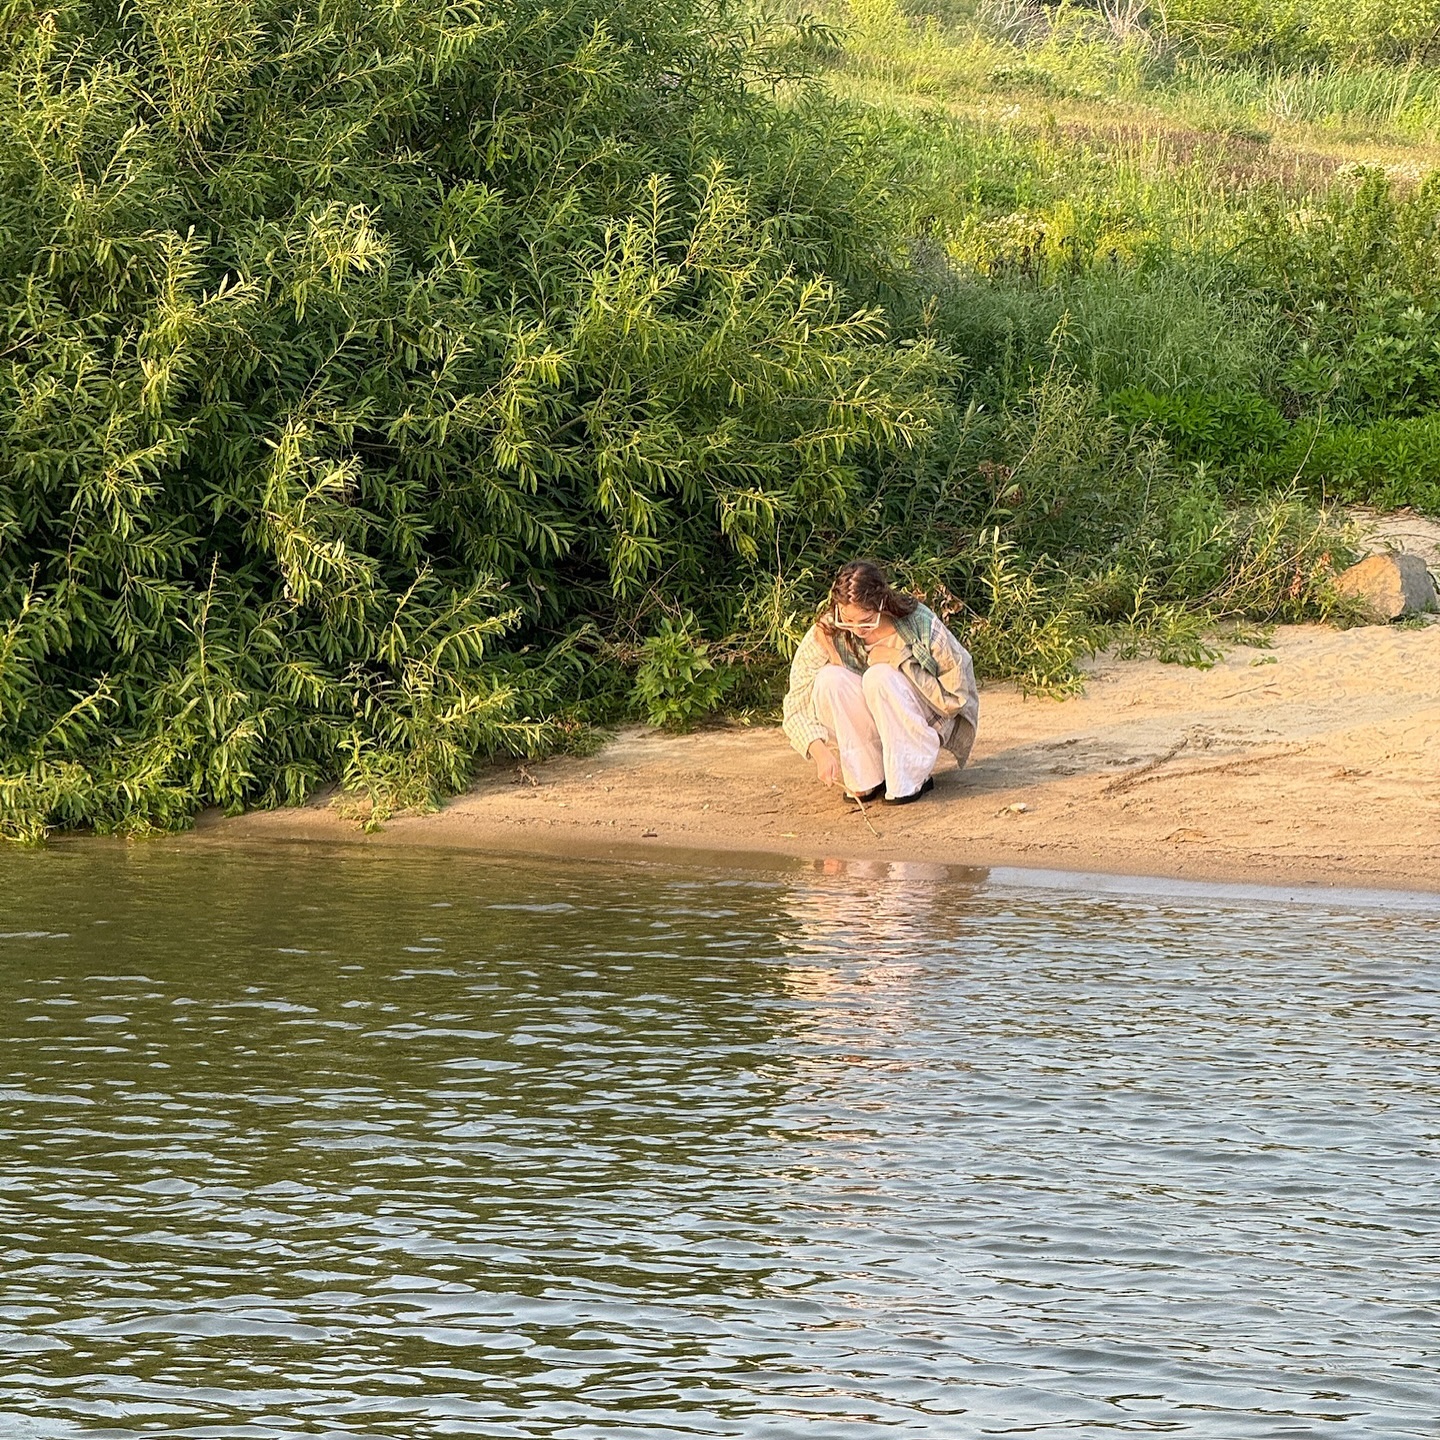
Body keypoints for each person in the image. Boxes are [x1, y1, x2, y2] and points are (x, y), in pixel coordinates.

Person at [782, 560, 979, 805]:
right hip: (874, 722)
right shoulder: (828, 629)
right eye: (847, 620)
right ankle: (865, 777)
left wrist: (901, 661)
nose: (856, 630)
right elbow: (795, 704)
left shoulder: (919, 622)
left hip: (923, 717)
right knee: (829, 679)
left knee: (879, 676)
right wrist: (819, 751)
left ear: (881, 604)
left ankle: (910, 776)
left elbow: (957, 693)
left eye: (865, 620)